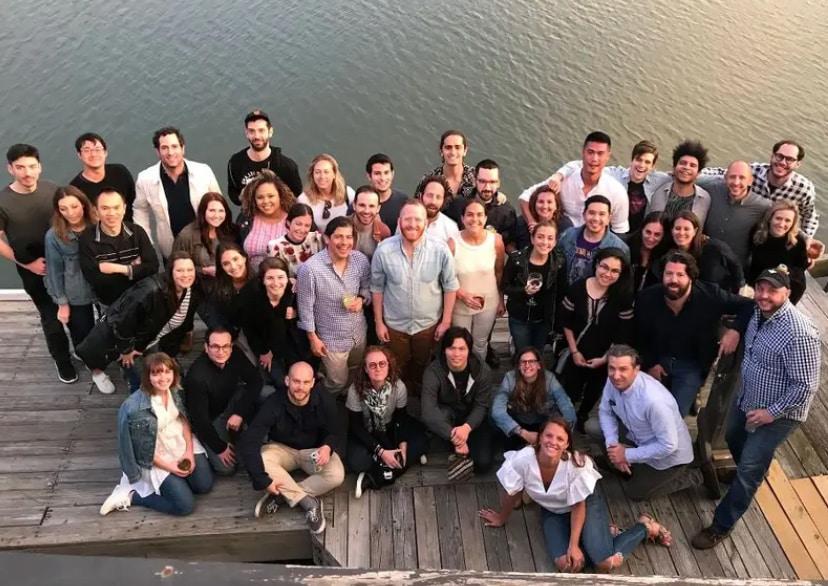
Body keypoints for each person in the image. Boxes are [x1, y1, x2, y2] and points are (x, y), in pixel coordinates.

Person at [692, 266, 820, 549]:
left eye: (772, 290)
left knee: (749, 468)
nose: (764, 295)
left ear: (787, 293)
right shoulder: (757, 313)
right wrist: (735, 330)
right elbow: (744, 311)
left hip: (779, 413)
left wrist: (770, 413)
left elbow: (805, 387)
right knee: (733, 437)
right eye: (760, 288)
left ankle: (721, 525)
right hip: (748, 399)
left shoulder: (800, 333)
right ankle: (751, 470)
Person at [479, 417, 672, 573]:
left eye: (560, 439)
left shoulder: (576, 466)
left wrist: (573, 545)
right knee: (568, 565)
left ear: (566, 445)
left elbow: (578, 506)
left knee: (604, 562)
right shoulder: (523, 460)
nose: (553, 442)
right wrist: (501, 518)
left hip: (584, 504)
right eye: (548, 435)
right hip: (553, 510)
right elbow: (512, 492)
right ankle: (602, 535)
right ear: (539, 438)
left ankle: (644, 527)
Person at [635, 250, 753, 416]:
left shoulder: (710, 295)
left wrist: (735, 329)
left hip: (691, 365)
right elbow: (639, 336)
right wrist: (650, 364)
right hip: (658, 359)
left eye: (680, 275)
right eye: (669, 274)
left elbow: (750, 305)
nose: (673, 280)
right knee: (643, 411)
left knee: (673, 417)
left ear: (691, 277)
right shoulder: (647, 298)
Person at [99, 352, 213, 517]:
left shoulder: (175, 390)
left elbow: (184, 421)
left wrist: (189, 451)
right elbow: (140, 449)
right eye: (156, 373)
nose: (163, 378)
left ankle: (177, 484)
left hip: (179, 442)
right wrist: (170, 467)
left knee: (204, 485)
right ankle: (132, 496)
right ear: (147, 376)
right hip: (156, 454)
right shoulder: (133, 407)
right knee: (185, 506)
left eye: (167, 371)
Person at [238, 362, 345, 533]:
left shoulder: (325, 400)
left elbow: (336, 430)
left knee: (337, 475)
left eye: (305, 382)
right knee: (263, 459)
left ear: (312, 383)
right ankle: (309, 502)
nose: (300, 387)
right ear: (287, 380)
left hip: (313, 452)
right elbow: (250, 440)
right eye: (296, 381)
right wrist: (262, 480)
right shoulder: (274, 402)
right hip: (283, 450)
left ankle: (283, 495)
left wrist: (327, 446)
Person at [0, 144, 76, 383]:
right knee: (51, 316)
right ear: (10, 169)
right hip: (33, 267)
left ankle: (81, 348)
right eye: (20, 167)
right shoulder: (3, 201)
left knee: (74, 308)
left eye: (32, 166)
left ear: (40, 167)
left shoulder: (52, 190)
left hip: (63, 264)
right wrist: (27, 265)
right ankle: (62, 359)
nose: (27, 173)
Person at [76, 252, 203, 394]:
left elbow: (180, 323)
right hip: (129, 340)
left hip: (151, 338)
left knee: (159, 370)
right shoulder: (149, 291)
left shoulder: (191, 290)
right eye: (180, 270)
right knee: (135, 374)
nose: (186, 275)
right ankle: (131, 384)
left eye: (190, 270)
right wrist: (126, 350)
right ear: (170, 271)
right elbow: (122, 322)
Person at [371, 199, 459, 396]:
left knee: (423, 363)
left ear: (426, 222)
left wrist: (446, 321)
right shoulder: (383, 250)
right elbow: (377, 288)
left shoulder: (440, 249)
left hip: (428, 326)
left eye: (418, 219)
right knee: (397, 364)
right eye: (407, 219)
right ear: (399, 221)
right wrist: (379, 322)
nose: (412, 224)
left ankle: (421, 393)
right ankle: (401, 395)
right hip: (395, 326)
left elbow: (450, 286)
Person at [591, 345, 699, 501]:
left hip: (668, 457)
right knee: (592, 427)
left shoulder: (655, 402)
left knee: (635, 494)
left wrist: (626, 454)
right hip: (636, 436)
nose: (616, 375)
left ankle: (695, 476)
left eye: (623, 369)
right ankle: (616, 464)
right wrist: (613, 447)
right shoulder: (612, 381)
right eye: (612, 368)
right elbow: (605, 411)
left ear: (636, 369)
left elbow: (668, 445)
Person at [701, 140, 822, 259]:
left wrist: (806, 243)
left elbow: (810, 217)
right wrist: (695, 172)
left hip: (778, 232)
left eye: (789, 159)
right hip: (751, 229)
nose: (782, 162)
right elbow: (724, 173)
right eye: (779, 156)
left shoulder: (803, 188)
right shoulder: (754, 171)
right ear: (772, 156)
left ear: (798, 164)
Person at [559, 248, 634, 430]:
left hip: (605, 354)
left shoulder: (623, 297)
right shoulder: (577, 288)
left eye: (615, 271)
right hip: (577, 350)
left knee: (594, 390)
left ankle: (582, 415)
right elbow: (566, 323)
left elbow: (623, 333)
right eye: (604, 267)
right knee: (570, 389)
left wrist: (605, 358)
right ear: (596, 264)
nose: (608, 274)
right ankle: (566, 420)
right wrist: (574, 352)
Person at [297, 216, 371, 396]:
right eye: (338, 236)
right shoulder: (311, 269)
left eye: (348, 237)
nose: (344, 242)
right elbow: (305, 308)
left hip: (358, 334)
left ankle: (347, 399)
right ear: (327, 238)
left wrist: (361, 299)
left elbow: (367, 287)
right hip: (331, 340)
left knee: (355, 370)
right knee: (337, 382)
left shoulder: (360, 260)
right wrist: (313, 339)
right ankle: (323, 402)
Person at [346, 346, 427, 497]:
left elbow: (401, 418)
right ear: (365, 369)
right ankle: (395, 466)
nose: (378, 368)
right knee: (357, 462)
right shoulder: (354, 390)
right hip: (367, 431)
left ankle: (372, 478)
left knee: (421, 440)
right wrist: (381, 452)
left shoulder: (399, 387)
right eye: (372, 365)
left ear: (389, 365)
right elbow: (356, 426)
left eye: (382, 363)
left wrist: (402, 446)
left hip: (390, 427)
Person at [183, 327, 262, 476]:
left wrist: (239, 412)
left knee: (266, 393)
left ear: (231, 347)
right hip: (212, 418)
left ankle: (256, 435)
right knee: (226, 468)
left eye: (225, 346)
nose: (221, 351)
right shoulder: (197, 377)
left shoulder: (235, 354)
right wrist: (220, 448)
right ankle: (209, 447)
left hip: (232, 400)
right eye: (215, 346)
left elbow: (256, 380)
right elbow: (200, 421)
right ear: (206, 347)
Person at [134, 126, 221, 259]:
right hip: (171, 249)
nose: (170, 152)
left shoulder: (203, 171)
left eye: (174, 146)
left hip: (206, 246)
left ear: (182, 148)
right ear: (157, 152)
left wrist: (220, 238)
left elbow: (220, 204)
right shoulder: (145, 179)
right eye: (164, 148)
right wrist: (146, 244)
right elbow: (140, 210)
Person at [547, 140, 669, 234]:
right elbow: (579, 165)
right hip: (614, 230)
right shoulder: (615, 174)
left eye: (647, 162)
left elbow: (675, 176)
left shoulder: (657, 179)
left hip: (640, 233)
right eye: (639, 160)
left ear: (653, 167)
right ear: (632, 160)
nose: (641, 165)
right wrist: (558, 176)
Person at [518, 132, 629, 234]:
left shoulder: (617, 192)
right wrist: (532, 223)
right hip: (561, 237)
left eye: (600, 154)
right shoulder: (564, 180)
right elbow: (525, 197)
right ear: (583, 152)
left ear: (608, 156)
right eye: (590, 152)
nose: (594, 159)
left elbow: (620, 230)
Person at [421, 327, 496, 477]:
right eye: (451, 348)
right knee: (438, 417)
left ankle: (462, 443)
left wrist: (467, 428)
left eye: (462, 349)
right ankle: (454, 442)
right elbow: (428, 411)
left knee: (483, 463)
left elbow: (481, 405)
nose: (456, 354)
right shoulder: (433, 371)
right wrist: (455, 438)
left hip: (473, 418)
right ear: (444, 350)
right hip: (448, 416)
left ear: (469, 350)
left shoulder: (483, 371)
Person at [78, 188, 159, 308]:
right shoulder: (87, 239)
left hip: (141, 300)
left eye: (116, 207)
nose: (111, 213)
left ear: (124, 208)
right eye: (105, 208)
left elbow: (153, 267)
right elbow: (95, 279)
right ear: (96, 211)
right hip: (110, 305)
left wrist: (119, 268)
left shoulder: (137, 232)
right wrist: (134, 269)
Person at [449, 199, 506, 361]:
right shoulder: (452, 243)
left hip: (488, 303)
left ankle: (479, 372)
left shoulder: (496, 241)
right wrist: (462, 295)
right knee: (461, 344)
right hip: (460, 304)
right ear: (462, 218)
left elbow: (499, 272)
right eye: (470, 215)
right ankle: (462, 372)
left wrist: (500, 299)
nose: (475, 219)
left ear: (486, 218)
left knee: (480, 344)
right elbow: (446, 278)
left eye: (480, 215)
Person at [237, 257, 306, 386]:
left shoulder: (293, 291)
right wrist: (263, 351)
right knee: (278, 380)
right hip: (263, 339)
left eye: (280, 277)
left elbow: (308, 312)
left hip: (289, 339)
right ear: (262, 280)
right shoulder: (251, 296)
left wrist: (296, 313)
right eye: (270, 278)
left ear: (287, 278)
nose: (276, 283)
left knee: (297, 375)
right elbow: (249, 328)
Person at [491, 347, 576, 449]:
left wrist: (562, 433)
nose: (527, 365)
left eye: (531, 361)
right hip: (517, 423)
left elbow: (566, 404)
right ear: (518, 366)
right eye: (523, 362)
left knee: (559, 416)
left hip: (542, 421)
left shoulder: (549, 379)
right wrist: (522, 432)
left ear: (539, 365)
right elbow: (497, 409)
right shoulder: (510, 378)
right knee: (493, 417)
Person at [44, 186, 96, 351]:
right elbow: (54, 272)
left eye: (74, 206)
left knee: (108, 331)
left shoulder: (98, 225)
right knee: (82, 336)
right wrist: (62, 303)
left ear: (83, 204)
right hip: (75, 293)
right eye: (63, 209)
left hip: (101, 289)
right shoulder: (53, 236)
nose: (71, 213)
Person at [502, 221, 566, 353]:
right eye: (540, 237)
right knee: (523, 352)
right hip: (520, 316)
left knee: (538, 352)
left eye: (550, 238)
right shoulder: (517, 259)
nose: (545, 242)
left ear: (555, 242)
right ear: (532, 239)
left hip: (543, 319)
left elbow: (561, 291)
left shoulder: (559, 261)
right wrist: (523, 291)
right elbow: (505, 286)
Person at [698, 161, 770, 269]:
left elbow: (782, 217)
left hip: (735, 267)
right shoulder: (711, 188)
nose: (736, 182)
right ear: (725, 177)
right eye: (732, 177)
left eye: (742, 178)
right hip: (703, 258)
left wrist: (800, 237)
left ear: (750, 181)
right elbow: (689, 179)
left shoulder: (762, 206)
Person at [652, 210, 743, 293]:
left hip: (716, 296)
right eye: (678, 228)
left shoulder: (714, 247)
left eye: (686, 229)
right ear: (672, 230)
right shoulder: (667, 251)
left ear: (695, 231)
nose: (681, 233)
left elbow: (735, 264)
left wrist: (737, 290)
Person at [226, 110, 302, 205]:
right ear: (246, 133)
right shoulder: (235, 163)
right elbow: (233, 193)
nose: (257, 136)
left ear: (270, 132)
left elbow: (296, 195)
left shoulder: (287, 166)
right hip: (249, 212)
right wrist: (244, 195)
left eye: (261, 130)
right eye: (251, 131)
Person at [557, 196, 629, 286]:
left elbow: (622, 283)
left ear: (609, 218)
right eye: (591, 213)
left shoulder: (619, 247)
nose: (596, 218)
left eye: (602, 214)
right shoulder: (568, 235)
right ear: (584, 215)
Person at [748, 201, 809, 304]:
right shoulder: (757, 233)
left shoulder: (798, 242)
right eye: (778, 218)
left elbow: (802, 266)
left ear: (793, 223)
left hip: (785, 285)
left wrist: (786, 271)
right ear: (770, 218)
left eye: (787, 220)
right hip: (759, 280)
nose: (781, 224)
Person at [449, 159, 517, 249]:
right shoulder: (457, 204)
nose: (487, 187)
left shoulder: (507, 212)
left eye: (492, 182)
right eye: (482, 181)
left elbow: (508, 243)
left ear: (498, 183)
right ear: (474, 181)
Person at [172, 192, 238, 281]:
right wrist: (202, 270)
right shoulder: (186, 235)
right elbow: (176, 266)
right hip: (199, 283)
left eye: (221, 211)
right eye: (212, 210)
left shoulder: (231, 230)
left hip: (229, 281)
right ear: (203, 211)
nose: (217, 215)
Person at [69, 132, 136, 220]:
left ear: (105, 152)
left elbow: (135, 202)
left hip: (129, 225)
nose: (93, 154)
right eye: (87, 150)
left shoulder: (120, 171)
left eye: (97, 149)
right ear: (79, 155)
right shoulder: (75, 188)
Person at [237, 169, 294, 272]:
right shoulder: (246, 218)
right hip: (252, 278)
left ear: (280, 195)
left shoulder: (294, 218)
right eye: (260, 197)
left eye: (271, 196)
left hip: (286, 278)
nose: (266, 201)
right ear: (254, 199)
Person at [647, 140, 712, 226]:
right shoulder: (659, 191)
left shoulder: (704, 199)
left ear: (698, 173)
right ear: (674, 167)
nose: (686, 167)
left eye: (692, 165)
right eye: (683, 163)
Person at [297, 153, 355, 233]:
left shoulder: (348, 194)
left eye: (326, 172)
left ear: (334, 174)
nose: (322, 177)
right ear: (312, 175)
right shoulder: (303, 200)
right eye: (317, 172)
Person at [415, 130, 476, 204]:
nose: (453, 152)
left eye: (457, 147)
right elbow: (417, 206)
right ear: (441, 151)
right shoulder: (428, 179)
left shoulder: (476, 177)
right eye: (448, 147)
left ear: (465, 151)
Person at [267, 203, 325, 279]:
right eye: (298, 224)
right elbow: (276, 278)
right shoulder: (275, 246)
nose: (302, 229)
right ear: (288, 223)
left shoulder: (317, 239)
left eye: (307, 225)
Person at [206, 242, 255, 332]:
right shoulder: (218, 287)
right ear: (221, 267)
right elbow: (215, 317)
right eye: (226, 264)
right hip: (229, 332)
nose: (233, 266)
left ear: (244, 258)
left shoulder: (259, 282)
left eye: (235, 259)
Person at [515, 185, 572, 251]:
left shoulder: (566, 226)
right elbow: (511, 243)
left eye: (549, 202)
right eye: (541, 202)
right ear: (534, 204)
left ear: (556, 206)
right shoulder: (522, 221)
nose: (545, 206)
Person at [365, 153, 408, 229]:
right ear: (369, 176)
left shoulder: (404, 201)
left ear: (392, 174)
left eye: (386, 173)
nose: (383, 178)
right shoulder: (360, 204)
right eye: (377, 173)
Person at [415, 175, 460, 244]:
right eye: (429, 195)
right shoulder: (407, 220)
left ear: (443, 200)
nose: (433, 202)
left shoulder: (451, 228)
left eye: (438, 197)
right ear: (421, 196)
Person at [627, 212, 666, 292]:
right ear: (642, 230)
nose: (651, 238)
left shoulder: (664, 257)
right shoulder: (627, 246)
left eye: (657, 235)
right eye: (648, 232)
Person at [350, 185, 391, 260]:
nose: (366, 211)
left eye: (371, 206)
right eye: (362, 205)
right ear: (354, 205)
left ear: (378, 208)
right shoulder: (340, 227)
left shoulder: (383, 232)